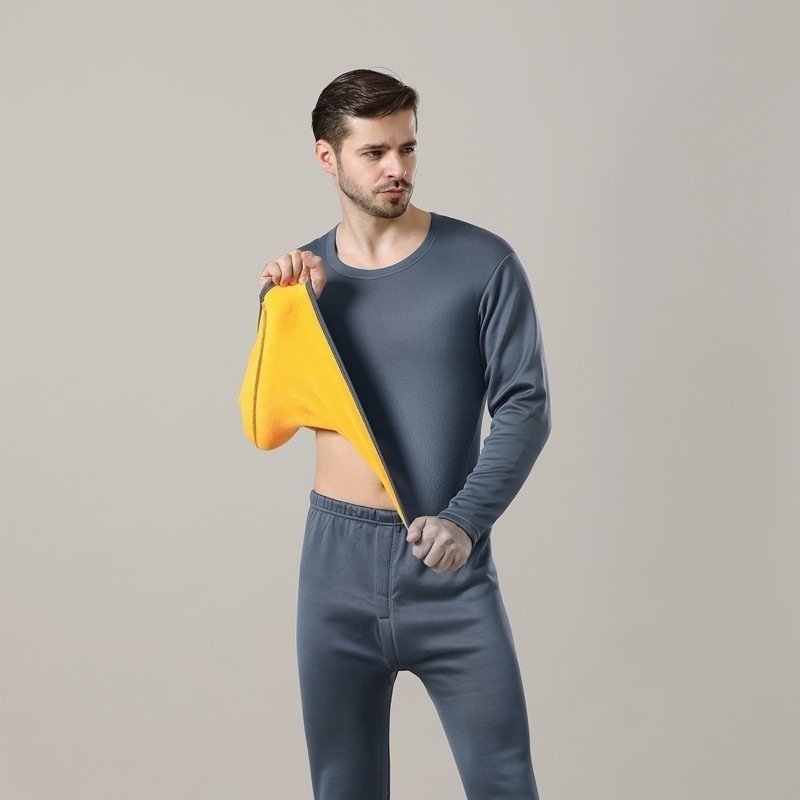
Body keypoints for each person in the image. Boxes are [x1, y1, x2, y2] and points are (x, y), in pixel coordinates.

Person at [254, 68, 552, 800]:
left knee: (504, 785)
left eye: (407, 148)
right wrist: (285, 313)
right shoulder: (302, 283)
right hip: (334, 566)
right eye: (374, 152)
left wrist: (466, 519)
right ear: (327, 157)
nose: (397, 168)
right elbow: (268, 421)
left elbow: (525, 406)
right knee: (343, 788)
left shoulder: (482, 262)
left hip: (447, 561)